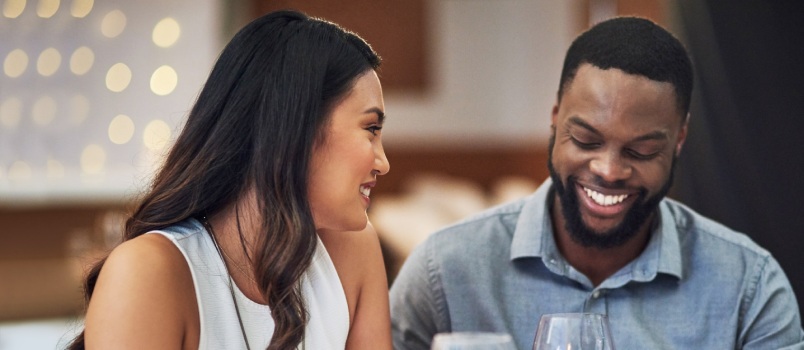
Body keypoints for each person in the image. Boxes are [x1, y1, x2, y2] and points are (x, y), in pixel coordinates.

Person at [389, 16, 804, 349]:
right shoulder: (443, 271)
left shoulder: (748, 287)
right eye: (586, 140)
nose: (608, 170)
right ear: (555, 119)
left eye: (640, 151)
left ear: (679, 141)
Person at [68, 10, 392, 350]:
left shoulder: (353, 249)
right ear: (294, 129)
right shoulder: (147, 273)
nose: (382, 163)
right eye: (371, 129)